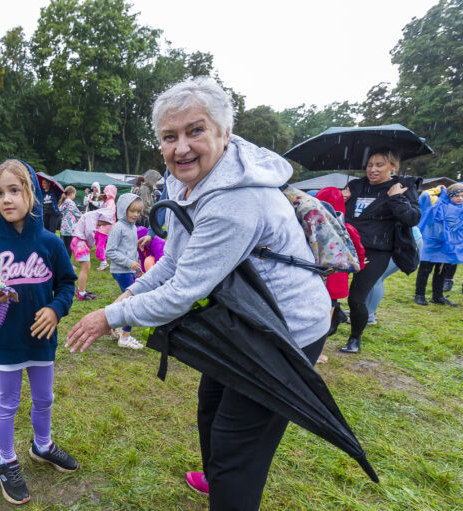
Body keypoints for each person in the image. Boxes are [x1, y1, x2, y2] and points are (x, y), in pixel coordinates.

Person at [66, 76, 331, 511]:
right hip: (247, 320)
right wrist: (124, 298)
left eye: (195, 131)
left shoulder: (234, 200)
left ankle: (229, 486)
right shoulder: (183, 182)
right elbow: (171, 263)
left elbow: (182, 292)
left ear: (224, 133)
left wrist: (108, 317)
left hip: (287, 332)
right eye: (170, 137)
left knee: (236, 445)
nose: (181, 147)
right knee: (210, 404)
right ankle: (219, 480)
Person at [0, 159, 77, 505]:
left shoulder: (51, 243)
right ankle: (6, 460)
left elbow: (67, 284)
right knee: (9, 402)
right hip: (5, 341)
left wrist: (56, 309)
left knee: (45, 398)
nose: (6, 199)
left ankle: (41, 446)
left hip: (42, 339)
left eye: (14, 190)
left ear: (31, 193)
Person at [341, 148, 421, 353]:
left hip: (376, 250)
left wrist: (396, 198)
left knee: (356, 298)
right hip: (346, 245)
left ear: (393, 166)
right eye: (369, 165)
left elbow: (412, 218)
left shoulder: (402, 187)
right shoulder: (356, 185)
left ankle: (355, 338)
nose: (372, 170)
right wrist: (339, 199)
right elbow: (340, 214)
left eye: (379, 165)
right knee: (328, 291)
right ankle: (333, 318)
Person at [315, 187, 366, 363]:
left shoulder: (309, 223)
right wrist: (359, 263)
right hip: (334, 282)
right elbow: (357, 251)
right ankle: (318, 352)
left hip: (314, 279)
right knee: (324, 320)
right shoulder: (345, 227)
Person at [105, 193, 145, 349]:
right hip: (121, 271)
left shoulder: (133, 227)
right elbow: (110, 251)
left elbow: (131, 250)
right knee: (131, 302)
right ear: (123, 209)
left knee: (124, 299)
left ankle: (113, 325)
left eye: (138, 212)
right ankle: (125, 338)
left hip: (130, 271)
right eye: (132, 211)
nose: (136, 215)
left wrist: (137, 265)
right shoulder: (118, 228)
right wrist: (129, 263)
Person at [414, 184, 463, 306]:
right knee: (425, 269)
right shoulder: (438, 203)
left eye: (462, 196)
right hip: (432, 242)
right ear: (449, 195)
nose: (460, 198)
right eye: (456, 195)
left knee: (442, 271)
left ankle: (437, 296)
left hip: (448, 245)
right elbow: (425, 196)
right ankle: (419, 294)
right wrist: (437, 189)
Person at [70, 207, 114, 301]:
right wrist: (90, 245)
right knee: (85, 268)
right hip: (80, 242)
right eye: (103, 223)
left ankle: (80, 289)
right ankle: (81, 294)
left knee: (86, 267)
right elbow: (90, 232)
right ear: (103, 218)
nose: (101, 226)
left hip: (78, 241)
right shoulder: (92, 216)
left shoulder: (92, 216)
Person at [94, 184, 117, 270]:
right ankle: (107, 253)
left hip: (106, 226)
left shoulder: (111, 202)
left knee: (99, 247)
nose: (104, 192)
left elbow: (108, 214)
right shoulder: (106, 201)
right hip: (100, 225)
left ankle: (103, 262)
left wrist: (100, 220)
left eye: (105, 191)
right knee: (96, 237)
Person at [58, 186, 81, 255]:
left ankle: (63, 263)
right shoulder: (71, 203)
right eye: (75, 194)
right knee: (69, 247)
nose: (75, 196)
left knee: (63, 247)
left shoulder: (63, 202)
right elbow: (78, 214)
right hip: (70, 228)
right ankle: (68, 264)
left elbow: (59, 210)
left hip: (63, 228)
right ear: (72, 193)